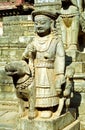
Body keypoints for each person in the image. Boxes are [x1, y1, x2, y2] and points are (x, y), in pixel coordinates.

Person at [22, 10, 65, 118]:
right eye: (36, 23)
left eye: (42, 22)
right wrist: (28, 53)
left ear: (51, 23)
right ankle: (33, 107)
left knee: (46, 89)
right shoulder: (33, 41)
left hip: (48, 71)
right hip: (35, 71)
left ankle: (48, 107)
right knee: (33, 89)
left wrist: (60, 74)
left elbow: (60, 57)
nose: (39, 26)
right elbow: (24, 57)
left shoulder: (56, 41)